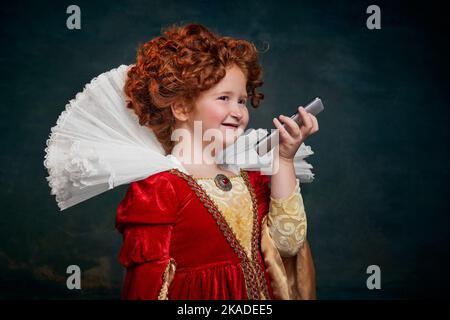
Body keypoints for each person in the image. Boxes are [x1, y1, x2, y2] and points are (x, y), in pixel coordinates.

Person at [115, 22, 319, 300]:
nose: (237, 111)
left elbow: (288, 244)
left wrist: (284, 158)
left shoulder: (249, 178)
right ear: (182, 107)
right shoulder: (159, 189)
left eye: (242, 101)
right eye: (224, 98)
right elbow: (146, 286)